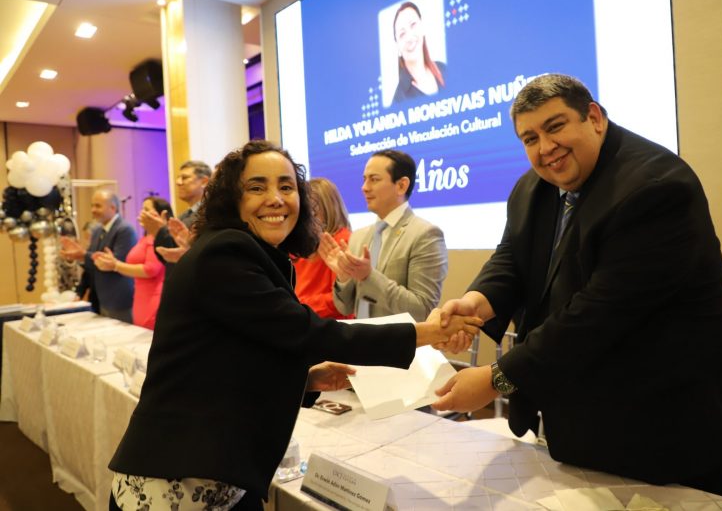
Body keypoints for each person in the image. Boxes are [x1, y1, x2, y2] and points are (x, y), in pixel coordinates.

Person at [432, 74, 722, 497]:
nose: (545, 148)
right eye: (530, 138)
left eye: (555, 127)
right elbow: (512, 257)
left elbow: (599, 314)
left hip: (672, 418)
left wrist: (499, 378)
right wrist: (477, 301)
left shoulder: (655, 187)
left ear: (594, 117)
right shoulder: (533, 186)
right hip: (589, 415)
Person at [108, 140, 481, 510]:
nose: (275, 199)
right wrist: (430, 332)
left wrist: (306, 381)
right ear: (232, 197)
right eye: (257, 187)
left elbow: (234, 360)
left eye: (286, 187)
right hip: (178, 478)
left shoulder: (249, 252)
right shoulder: (225, 252)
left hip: (215, 475)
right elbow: (307, 331)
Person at [320, 149, 447, 321]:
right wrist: (344, 277)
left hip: (399, 338)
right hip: (359, 336)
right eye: (364, 179)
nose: (364, 188)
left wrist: (368, 277)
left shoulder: (425, 235)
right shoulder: (358, 237)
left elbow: (422, 310)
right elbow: (344, 308)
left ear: (401, 185)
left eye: (374, 179)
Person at [93, 196, 173, 330]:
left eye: (147, 210)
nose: (142, 213)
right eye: (142, 209)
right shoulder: (145, 238)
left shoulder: (157, 239)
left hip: (153, 297)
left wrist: (115, 265)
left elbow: (150, 270)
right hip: (140, 297)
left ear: (161, 215)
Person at [59, 189, 137, 323]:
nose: (93, 210)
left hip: (120, 299)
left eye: (98, 206)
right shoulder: (97, 230)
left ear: (113, 207)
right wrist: (79, 257)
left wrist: (83, 255)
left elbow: (116, 263)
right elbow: (91, 262)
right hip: (101, 299)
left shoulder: (125, 230)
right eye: (92, 206)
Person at [293, 177, 354, 319]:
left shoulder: (343, 242)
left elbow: (341, 300)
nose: (304, 219)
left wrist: (297, 305)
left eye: (312, 213)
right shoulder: (300, 244)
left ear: (328, 210)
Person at [146, 160, 212, 271]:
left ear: (204, 181)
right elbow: (168, 257)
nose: (178, 182)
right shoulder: (183, 216)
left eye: (185, 178)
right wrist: (160, 232)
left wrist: (161, 231)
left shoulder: (209, 214)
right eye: (178, 178)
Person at [391, 1, 446, 106]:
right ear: (397, 46)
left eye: (413, 25)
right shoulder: (398, 100)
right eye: (402, 34)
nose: (409, 37)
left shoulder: (443, 69)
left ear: (422, 26)